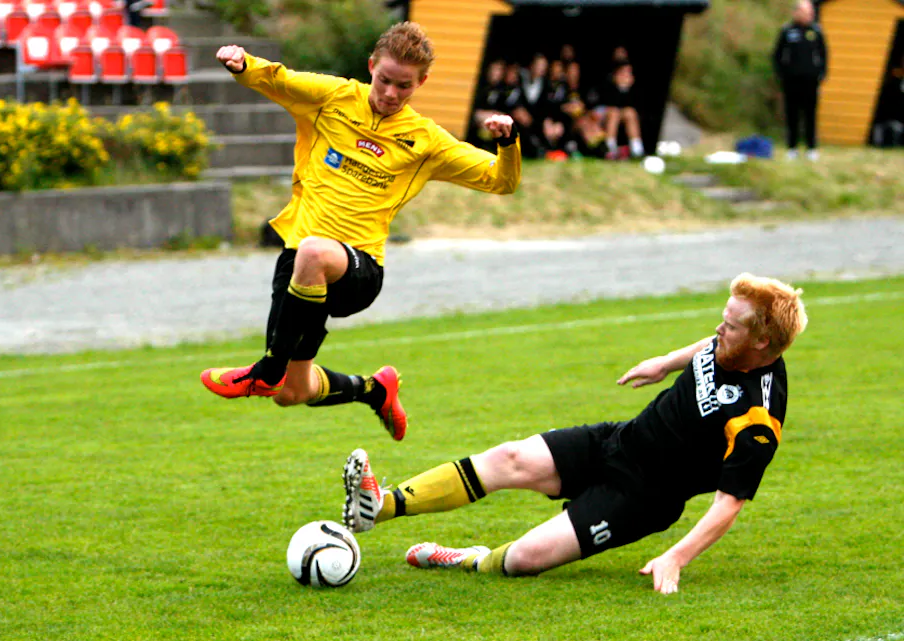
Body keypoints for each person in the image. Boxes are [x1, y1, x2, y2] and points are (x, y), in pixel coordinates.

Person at [342, 273, 807, 593]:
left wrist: (676, 558)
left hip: (642, 498)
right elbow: (712, 343)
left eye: (731, 325)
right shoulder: (734, 344)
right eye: (723, 317)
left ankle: (466, 557)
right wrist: (665, 363)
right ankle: (379, 507)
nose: (719, 329)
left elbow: (729, 503)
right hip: (618, 442)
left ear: (761, 342)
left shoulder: (756, 421)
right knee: (509, 457)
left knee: (524, 559)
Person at [201, 22, 522, 442]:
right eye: (385, 80)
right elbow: (280, 80)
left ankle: (267, 368)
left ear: (421, 83)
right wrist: (243, 64)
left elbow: (501, 180)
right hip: (300, 268)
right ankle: (374, 390)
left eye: (404, 86)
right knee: (291, 393)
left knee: (313, 254)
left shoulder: (426, 140)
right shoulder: (334, 97)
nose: (390, 93)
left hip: (359, 270)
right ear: (371, 66)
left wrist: (508, 142)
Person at [773, 0, 827, 161]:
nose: (808, 16)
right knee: (792, 115)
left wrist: (821, 74)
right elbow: (777, 55)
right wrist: (781, 74)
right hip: (791, 81)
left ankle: (811, 148)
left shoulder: (816, 31)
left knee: (810, 115)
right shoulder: (787, 31)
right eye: (805, 12)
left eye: (810, 13)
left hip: (811, 80)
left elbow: (824, 54)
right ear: (796, 13)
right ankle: (792, 148)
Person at [602, 61, 645, 159]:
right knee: (614, 113)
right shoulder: (607, 86)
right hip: (604, 116)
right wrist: (619, 87)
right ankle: (610, 150)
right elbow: (608, 103)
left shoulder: (634, 89)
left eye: (629, 73)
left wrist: (624, 89)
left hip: (622, 116)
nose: (626, 76)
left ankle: (637, 150)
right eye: (623, 73)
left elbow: (635, 105)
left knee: (630, 112)